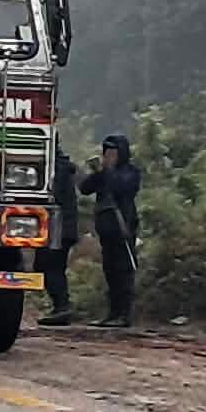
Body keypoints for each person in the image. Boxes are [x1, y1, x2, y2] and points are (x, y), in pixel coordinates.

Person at [82, 132, 142, 327]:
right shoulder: (104, 173)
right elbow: (85, 188)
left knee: (123, 270)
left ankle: (124, 315)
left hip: (123, 227)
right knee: (110, 271)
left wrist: (107, 172)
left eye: (113, 153)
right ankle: (112, 313)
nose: (108, 156)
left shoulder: (131, 172)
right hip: (106, 229)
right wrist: (97, 172)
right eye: (106, 152)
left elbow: (122, 188)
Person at [32, 142, 83, 326]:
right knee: (51, 266)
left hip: (58, 227)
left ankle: (62, 306)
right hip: (61, 227)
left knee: (49, 265)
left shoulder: (56, 170)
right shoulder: (61, 167)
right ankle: (61, 306)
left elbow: (51, 195)